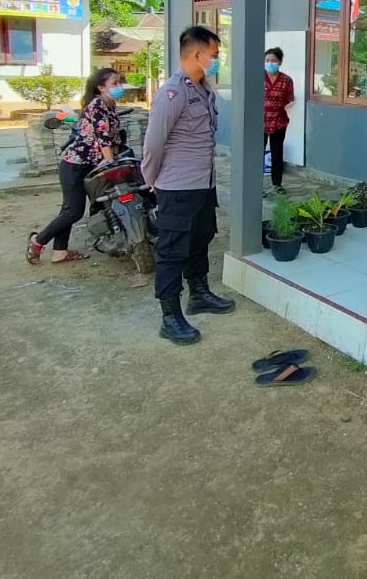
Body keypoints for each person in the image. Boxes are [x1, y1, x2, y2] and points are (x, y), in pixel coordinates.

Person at [142, 25, 235, 345]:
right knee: (172, 251)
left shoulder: (203, 89)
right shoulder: (172, 92)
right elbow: (154, 143)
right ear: (197, 54)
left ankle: (199, 293)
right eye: (214, 54)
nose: (217, 60)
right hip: (177, 187)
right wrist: (150, 180)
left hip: (203, 184)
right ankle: (170, 317)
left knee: (200, 239)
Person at [28, 67, 124, 265]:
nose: (119, 86)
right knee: (73, 211)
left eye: (120, 82)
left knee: (70, 210)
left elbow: (114, 136)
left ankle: (60, 252)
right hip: (76, 165)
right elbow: (103, 136)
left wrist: (114, 156)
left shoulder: (110, 104)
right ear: (101, 87)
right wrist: (109, 160)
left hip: (90, 165)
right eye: (114, 83)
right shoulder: (97, 104)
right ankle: (37, 241)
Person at [262, 47, 294, 195]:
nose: (270, 63)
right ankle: (256, 185)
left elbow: (289, 98)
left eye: (273, 60)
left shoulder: (286, 80)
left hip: (279, 121)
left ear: (280, 62)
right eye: (267, 60)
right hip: (259, 121)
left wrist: (275, 107)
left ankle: (277, 184)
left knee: (277, 153)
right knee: (257, 153)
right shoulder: (258, 77)